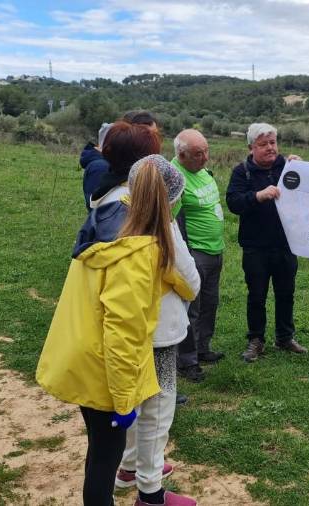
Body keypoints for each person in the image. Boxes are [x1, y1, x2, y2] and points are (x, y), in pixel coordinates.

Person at [36, 153, 194, 506]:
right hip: (103, 370)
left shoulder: (107, 226)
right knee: (104, 465)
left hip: (82, 356)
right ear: (169, 200)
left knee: (100, 455)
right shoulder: (138, 254)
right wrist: (125, 402)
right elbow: (123, 332)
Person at [116, 155, 199, 506]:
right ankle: (150, 492)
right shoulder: (164, 228)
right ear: (171, 195)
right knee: (159, 407)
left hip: (126, 329)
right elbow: (190, 280)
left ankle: (129, 467)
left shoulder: (114, 216)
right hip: (161, 332)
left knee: (134, 401)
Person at [225, 123, 308, 362]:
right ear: (251, 147)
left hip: (286, 244)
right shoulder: (242, 172)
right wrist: (258, 196)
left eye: (273, 142)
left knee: (286, 293)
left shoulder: (287, 166)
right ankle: (256, 340)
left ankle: (284, 337)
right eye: (263, 144)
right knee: (256, 295)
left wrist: (304, 168)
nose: (270, 148)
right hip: (255, 247)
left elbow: (308, 191)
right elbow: (233, 202)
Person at [171, 129, 225, 381]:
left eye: (206, 151)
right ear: (181, 155)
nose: (205, 158)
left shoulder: (201, 171)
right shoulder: (175, 178)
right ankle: (187, 361)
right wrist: (187, 256)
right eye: (198, 154)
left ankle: (203, 348)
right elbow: (174, 221)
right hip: (195, 253)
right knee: (191, 308)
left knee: (210, 303)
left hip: (214, 249)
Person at [79, 111, 160, 209]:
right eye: (147, 134)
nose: (153, 139)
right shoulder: (101, 167)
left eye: (155, 134)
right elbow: (99, 209)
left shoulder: (125, 172)